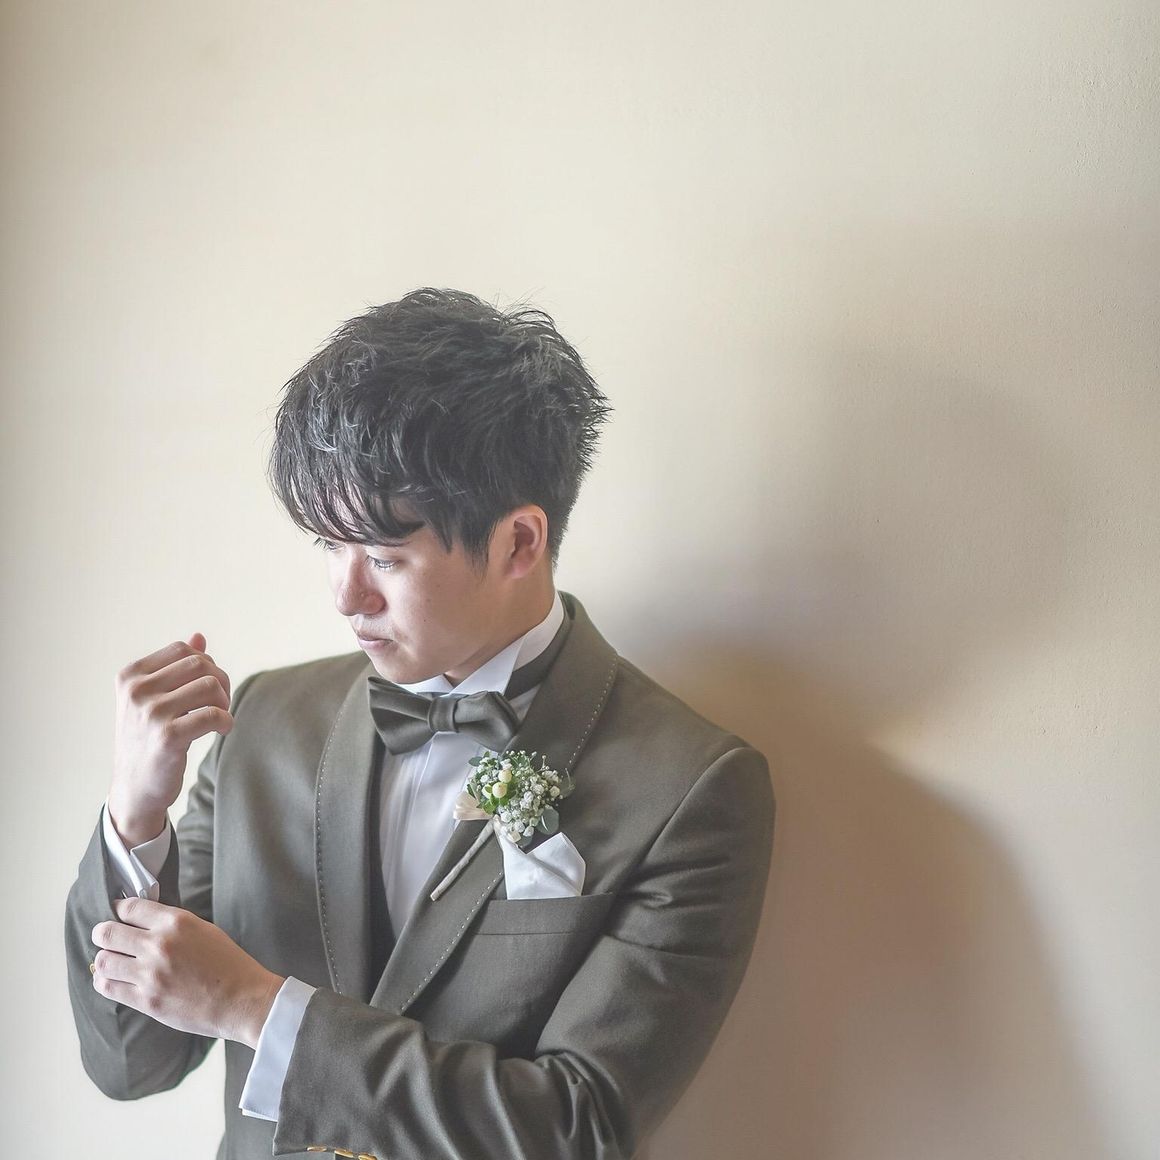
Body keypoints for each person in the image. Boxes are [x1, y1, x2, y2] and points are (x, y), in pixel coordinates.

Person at [64, 287, 776, 1160]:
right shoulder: (263, 722)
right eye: (330, 545)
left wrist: (257, 1008)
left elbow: (577, 1129)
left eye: (384, 557)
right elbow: (129, 1062)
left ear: (519, 544)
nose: (345, 596)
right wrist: (136, 817)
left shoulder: (691, 788)